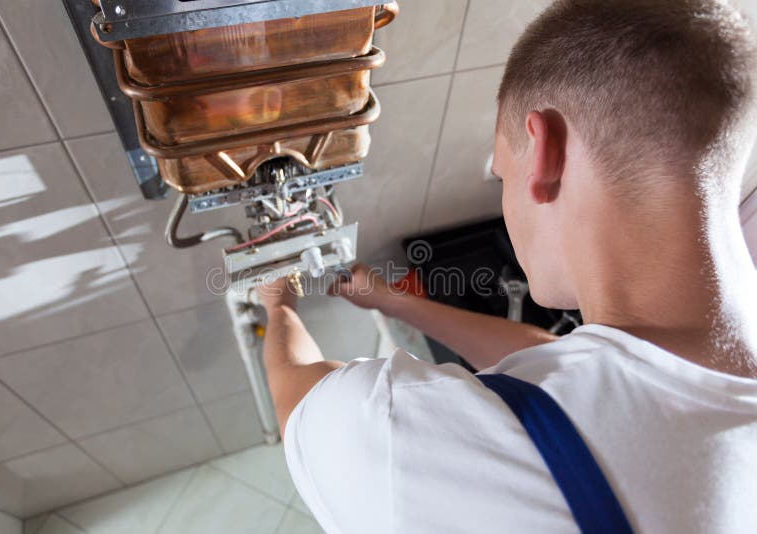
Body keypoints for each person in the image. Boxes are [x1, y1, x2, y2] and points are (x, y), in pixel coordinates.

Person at [259, 0, 757, 532]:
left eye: (502, 175)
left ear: (544, 153)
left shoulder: (414, 441)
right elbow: (574, 363)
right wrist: (393, 300)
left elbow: (297, 395)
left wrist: (277, 303)